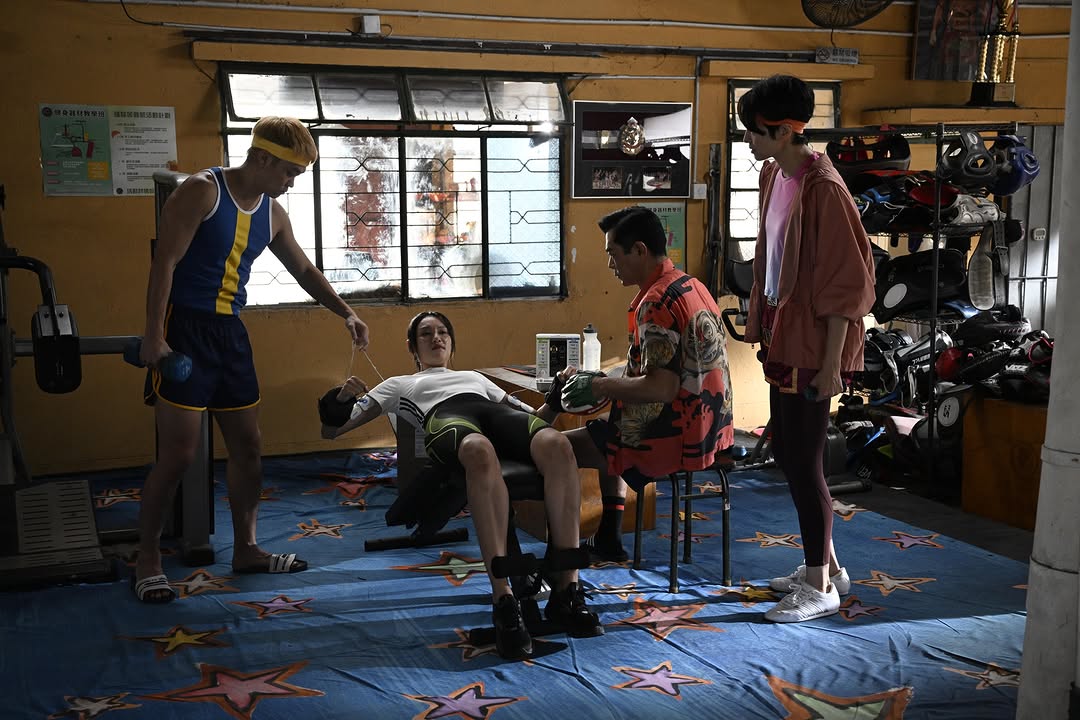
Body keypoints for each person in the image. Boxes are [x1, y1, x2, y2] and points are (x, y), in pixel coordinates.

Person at [133, 117, 370, 604]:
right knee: (179, 455)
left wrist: (346, 312)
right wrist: (154, 337)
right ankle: (148, 558)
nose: (291, 183)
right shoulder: (202, 191)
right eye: (288, 172)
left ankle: (247, 549)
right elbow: (164, 264)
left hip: (231, 336)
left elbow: (303, 269)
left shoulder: (273, 213)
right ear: (261, 157)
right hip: (185, 329)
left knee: (249, 448)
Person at [323, 311, 603, 660]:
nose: (436, 338)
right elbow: (332, 430)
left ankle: (566, 591)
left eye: (443, 332)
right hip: (446, 418)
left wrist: (556, 398)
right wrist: (339, 401)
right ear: (412, 347)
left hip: (493, 413)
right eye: (426, 334)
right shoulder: (398, 384)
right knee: (478, 449)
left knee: (557, 444)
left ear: (452, 343)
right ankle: (504, 602)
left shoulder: (474, 377)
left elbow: (534, 420)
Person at [737, 75, 875, 623]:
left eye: (754, 131)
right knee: (789, 455)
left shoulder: (825, 190)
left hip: (816, 345)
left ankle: (819, 584)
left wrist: (832, 367)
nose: (748, 141)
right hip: (783, 332)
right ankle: (828, 567)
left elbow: (846, 288)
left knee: (804, 461)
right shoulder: (775, 174)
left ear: (783, 130)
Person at [537, 205, 734, 565]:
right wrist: (611, 384)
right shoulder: (691, 286)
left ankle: (562, 552)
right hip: (715, 428)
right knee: (608, 427)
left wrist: (600, 386)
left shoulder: (655, 302)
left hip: (677, 437)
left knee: (554, 448)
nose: (610, 265)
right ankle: (609, 536)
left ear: (640, 250)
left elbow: (661, 388)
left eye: (614, 254)